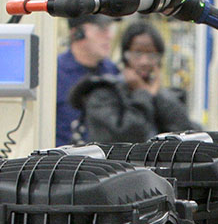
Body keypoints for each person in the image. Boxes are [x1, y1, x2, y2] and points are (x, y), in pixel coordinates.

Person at [68, 20, 201, 144]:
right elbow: (127, 138)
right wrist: (142, 94)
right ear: (125, 56)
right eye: (137, 53)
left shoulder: (166, 97)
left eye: (151, 55)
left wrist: (157, 96)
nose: (144, 62)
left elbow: (187, 135)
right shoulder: (103, 94)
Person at [56, 15, 119, 147]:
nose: (109, 36)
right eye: (101, 29)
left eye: (109, 29)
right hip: (63, 162)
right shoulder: (55, 74)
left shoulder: (112, 72)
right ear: (77, 34)